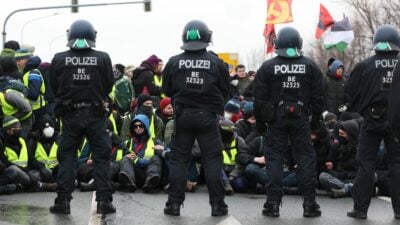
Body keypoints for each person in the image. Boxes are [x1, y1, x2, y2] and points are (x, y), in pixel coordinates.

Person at [253, 26, 324, 217]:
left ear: (278, 44)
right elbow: (319, 97)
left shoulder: (268, 67)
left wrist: (260, 125)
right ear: (299, 43)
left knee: (274, 159)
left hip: (276, 119)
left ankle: (273, 204)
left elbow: (258, 99)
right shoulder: (310, 66)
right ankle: (309, 204)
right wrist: (316, 121)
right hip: (301, 119)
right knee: (306, 158)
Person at [162, 20, 230, 217]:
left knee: (179, 160)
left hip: (183, 117)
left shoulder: (174, 62)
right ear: (206, 37)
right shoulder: (217, 63)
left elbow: (166, 89)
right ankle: (218, 205)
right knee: (212, 160)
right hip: (208, 118)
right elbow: (226, 90)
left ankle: (173, 204)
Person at [48, 20, 115, 214]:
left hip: (71, 115)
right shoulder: (103, 58)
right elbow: (108, 85)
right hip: (95, 115)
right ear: (93, 36)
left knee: (67, 157)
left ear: (70, 36)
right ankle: (104, 201)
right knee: (102, 157)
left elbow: (54, 86)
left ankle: (63, 201)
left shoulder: (59, 58)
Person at [345, 24, 400, 219]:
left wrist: (364, 109)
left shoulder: (365, 65)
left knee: (366, 163)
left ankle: (360, 209)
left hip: (371, 120)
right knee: (396, 164)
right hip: (397, 122)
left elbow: (351, 94)